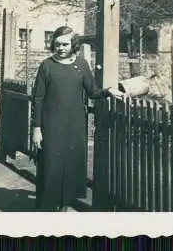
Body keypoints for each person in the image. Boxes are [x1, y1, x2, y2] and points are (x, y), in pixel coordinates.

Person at [32, 25, 122, 211]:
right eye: (57, 44)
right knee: (51, 165)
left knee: (71, 165)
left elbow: (93, 91)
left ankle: (64, 206)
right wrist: (36, 128)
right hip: (51, 126)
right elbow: (38, 99)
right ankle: (47, 208)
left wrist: (108, 91)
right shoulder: (46, 66)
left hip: (75, 125)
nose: (61, 48)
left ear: (73, 44)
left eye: (65, 44)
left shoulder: (81, 65)